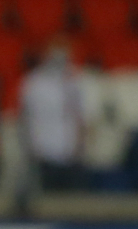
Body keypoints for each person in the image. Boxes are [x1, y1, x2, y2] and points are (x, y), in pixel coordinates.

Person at [19, 38, 87, 192]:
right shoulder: (33, 82)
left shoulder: (76, 80)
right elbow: (25, 117)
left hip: (69, 153)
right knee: (46, 198)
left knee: (70, 199)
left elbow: (81, 117)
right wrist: (29, 148)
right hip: (42, 152)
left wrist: (80, 147)